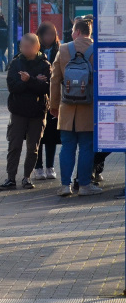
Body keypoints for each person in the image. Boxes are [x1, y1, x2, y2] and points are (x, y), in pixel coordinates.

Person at [49, 19, 98, 196]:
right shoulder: (97, 49)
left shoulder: (63, 49)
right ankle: (84, 185)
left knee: (67, 146)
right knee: (86, 146)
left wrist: (54, 106)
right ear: (89, 32)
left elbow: (54, 80)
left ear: (77, 31)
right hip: (89, 107)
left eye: (72, 30)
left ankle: (65, 186)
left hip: (67, 107)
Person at [0, 33, 50, 191]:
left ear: (36, 47)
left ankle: (27, 177)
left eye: (27, 47)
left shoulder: (45, 64)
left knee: (33, 147)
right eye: (22, 46)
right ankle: (10, 178)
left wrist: (29, 80)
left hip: (37, 111)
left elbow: (47, 88)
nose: (24, 49)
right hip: (18, 111)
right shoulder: (15, 63)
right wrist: (32, 82)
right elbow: (13, 87)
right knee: (14, 145)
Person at [32, 22, 61, 181]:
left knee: (52, 135)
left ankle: (50, 166)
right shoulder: (34, 50)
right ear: (40, 36)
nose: (50, 37)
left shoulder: (60, 49)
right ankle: (38, 167)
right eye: (46, 34)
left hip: (54, 98)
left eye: (52, 34)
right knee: (38, 136)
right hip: (38, 100)